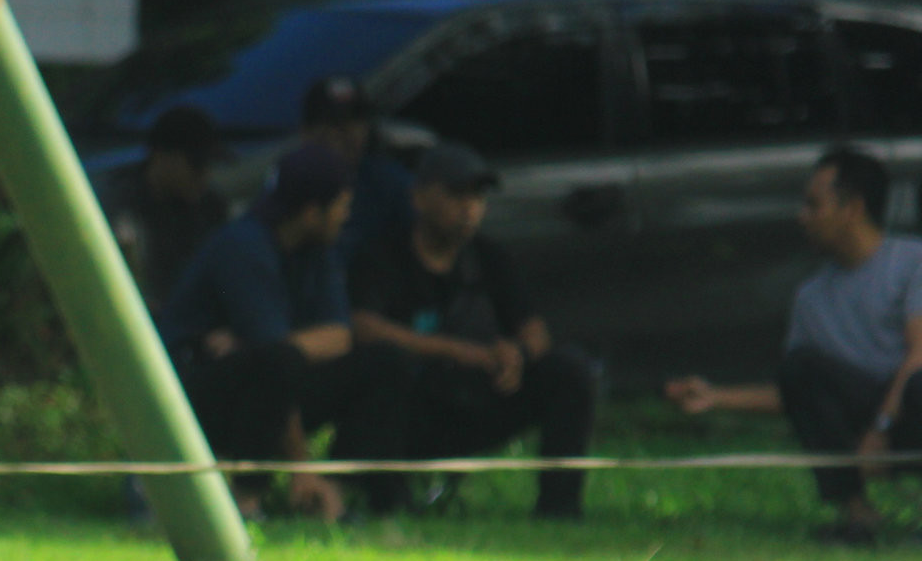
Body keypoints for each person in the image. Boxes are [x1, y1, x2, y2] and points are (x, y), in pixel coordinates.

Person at [664, 147, 922, 545]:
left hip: (913, 412)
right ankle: (855, 514)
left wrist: (881, 430)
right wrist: (716, 397)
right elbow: (799, 393)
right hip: (861, 413)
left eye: (814, 205)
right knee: (800, 366)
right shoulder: (812, 296)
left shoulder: (921, 262)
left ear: (852, 208)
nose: (803, 217)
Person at [159, 142, 411, 520]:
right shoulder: (244, 247)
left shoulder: (316, 249)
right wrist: (300, 466)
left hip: (264, 377)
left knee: (386, 361)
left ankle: (337, 490)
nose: (346, 216)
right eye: (342, 205)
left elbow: (339, 336)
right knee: (277, 361)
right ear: (312, 212)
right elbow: (275, 363)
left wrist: (262, 346)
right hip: (195, 394)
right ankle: (246, 499)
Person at [351, 142, 600, 521]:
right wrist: (452, 351)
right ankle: (390, 500)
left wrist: (516, 354)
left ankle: (560, 508)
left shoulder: (490, 257)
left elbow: (535, 331)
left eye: (478, 196)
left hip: (480, 395)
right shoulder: (381, 257)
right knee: (386, 367)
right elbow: (364, 328)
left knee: (570, 370)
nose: (470, 208)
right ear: (418, 198)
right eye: (456, 194)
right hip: (413, 405)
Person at [105, 104, 230, 315]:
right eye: (196, 165)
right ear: (161, 156)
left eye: (209, 164)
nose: (204, 176)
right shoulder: (119, 206)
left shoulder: (210, 207)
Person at [301, 75, 413, 265]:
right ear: (308, 133)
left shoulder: (389, 183)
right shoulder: (287, 185)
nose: (348, 134)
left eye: (356, 122)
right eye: (335, 124)